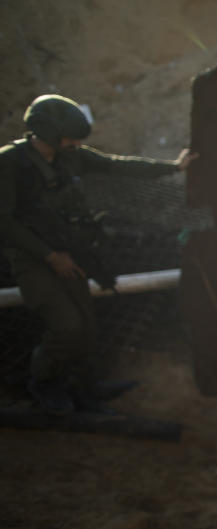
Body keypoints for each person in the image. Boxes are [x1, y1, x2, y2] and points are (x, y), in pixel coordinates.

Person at [0, 94, 197, 415]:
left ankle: (85, 387)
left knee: (87, 327)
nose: (74, 143)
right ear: (49, 133)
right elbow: (3, 221)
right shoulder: (10, 162)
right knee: (66, 326)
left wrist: (173, 167)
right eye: (69, 137)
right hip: (33, 260)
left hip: (69, 252)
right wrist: (49, 256)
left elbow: (115, 165)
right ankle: (44, 384)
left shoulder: (69, 156)